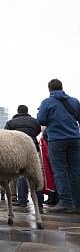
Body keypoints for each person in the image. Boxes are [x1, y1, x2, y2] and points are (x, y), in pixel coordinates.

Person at [37, 78, 80, 213]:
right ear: (62, 87)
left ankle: (66, 202)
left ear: (49, 89)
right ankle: (77, 203)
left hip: (57, 140)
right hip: (75, 139)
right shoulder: (74, 101)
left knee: (60, 171)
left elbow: (41, 120)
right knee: (75, 171)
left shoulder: (47, 102)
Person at [5, 104, 44, 211]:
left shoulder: (11, 122)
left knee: (21, 174)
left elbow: (6, 135)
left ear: (18, 111)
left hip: (17, 150)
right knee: (36, 173)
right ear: (27, 111)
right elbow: (38, 131)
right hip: (33, 148)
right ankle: (39, 201)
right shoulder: (35, 121)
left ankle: (22, 200)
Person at [40, 130, 59, 205]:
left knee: (50, 177)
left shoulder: (44, 138)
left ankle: (53, 198)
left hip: (49, 159)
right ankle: (55, 197)